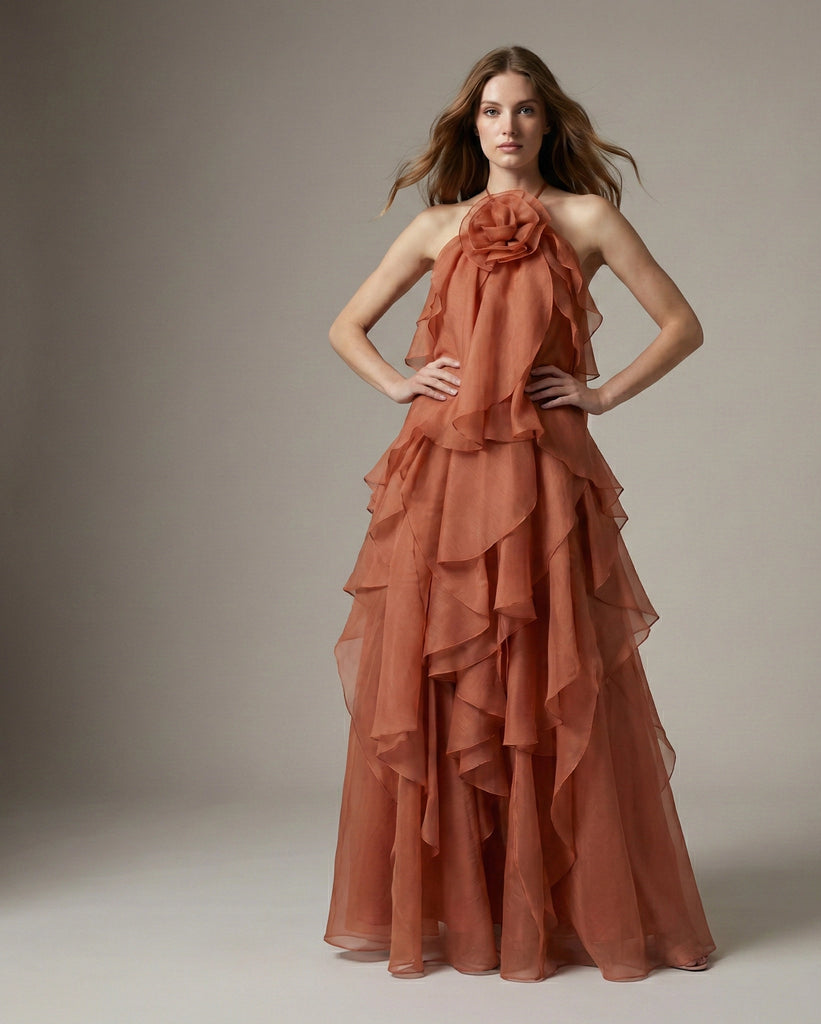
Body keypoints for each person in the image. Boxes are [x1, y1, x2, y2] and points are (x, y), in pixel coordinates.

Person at [324, 45, 715, 982]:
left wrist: (600, 393)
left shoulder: (585, 217)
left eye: (527, 111)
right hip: (445, 475)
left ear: (549, 123)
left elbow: (682, 323)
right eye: (494, 112)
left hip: (541, 472)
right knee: (449, 679)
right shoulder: (435, 227)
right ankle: (465, 906)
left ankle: (553, 908)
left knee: (551, 673)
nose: (509, 127)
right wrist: (401, 382)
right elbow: (346, 326)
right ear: (473, 127)